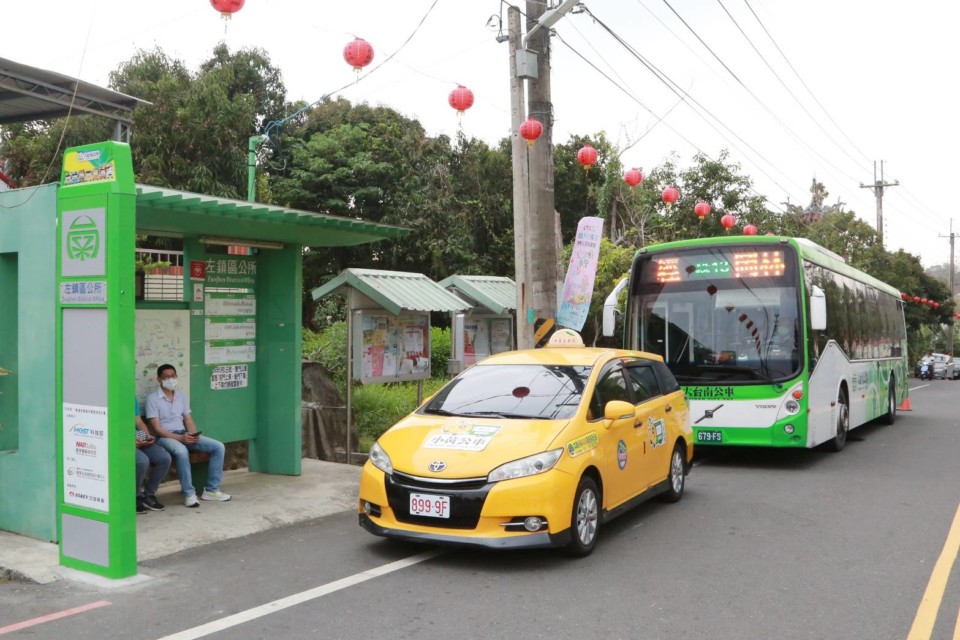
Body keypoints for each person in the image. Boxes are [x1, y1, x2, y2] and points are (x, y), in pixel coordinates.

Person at [146, 364, 231, 508]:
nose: (171, 379)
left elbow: (188, 419)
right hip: (165, 438)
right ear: (159, 379)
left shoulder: (181, 396)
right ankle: (189, 494)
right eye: (166, 377)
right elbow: (157, 429)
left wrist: (192, 434)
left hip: (183, 434)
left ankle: (211, 490)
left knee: (218, 447)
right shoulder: (153, 399)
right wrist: (180, 438)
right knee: (181, 451)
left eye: (173, 376)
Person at [135, 396, 171, 514]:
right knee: (142, 461)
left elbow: (138, 421)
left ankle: (148, 495)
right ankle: (135, 496)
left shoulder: (130, 396)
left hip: (137, 438)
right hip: (119, 441)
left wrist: (146, 435)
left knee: (164, 458)